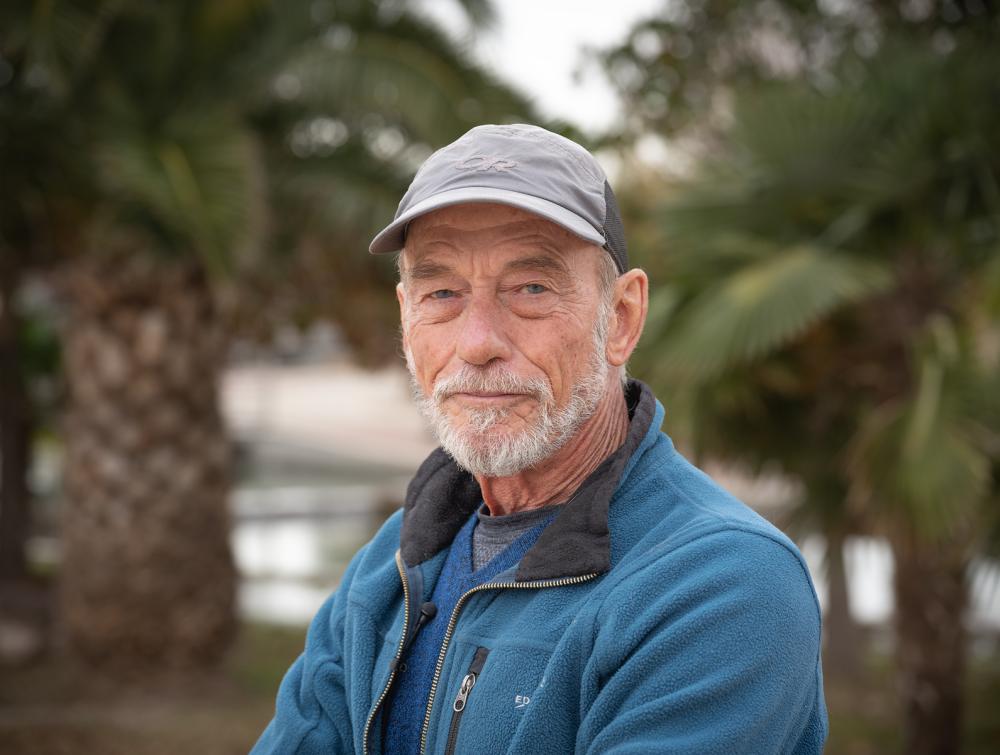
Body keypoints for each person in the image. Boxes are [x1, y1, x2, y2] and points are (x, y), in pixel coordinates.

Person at [252, 124, 828, 755]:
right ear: (405, 316)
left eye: (530, 288)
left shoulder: (722, 586)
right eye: (441, 293)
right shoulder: (389, 567)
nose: (477, 344)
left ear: (622, 318)